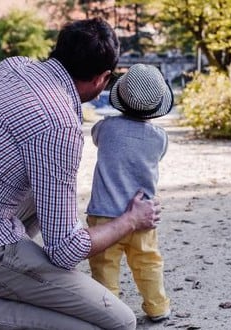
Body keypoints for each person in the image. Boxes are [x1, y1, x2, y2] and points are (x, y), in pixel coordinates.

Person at [0, 18, 161, 330]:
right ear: (102, 78)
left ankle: (5, 282)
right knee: (117, 322)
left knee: (45, 186)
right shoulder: (58, 124)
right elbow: (66, 250)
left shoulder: (12, 66)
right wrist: (130, 220)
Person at [86, 63, 173, 322]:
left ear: (120, 98)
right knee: (148, 262)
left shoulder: (105, 128)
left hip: (104, 216)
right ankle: (157, 306)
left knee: (104, 267)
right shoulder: (159, 138)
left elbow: (94, 137)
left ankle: (109, 311)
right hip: (143, 216)